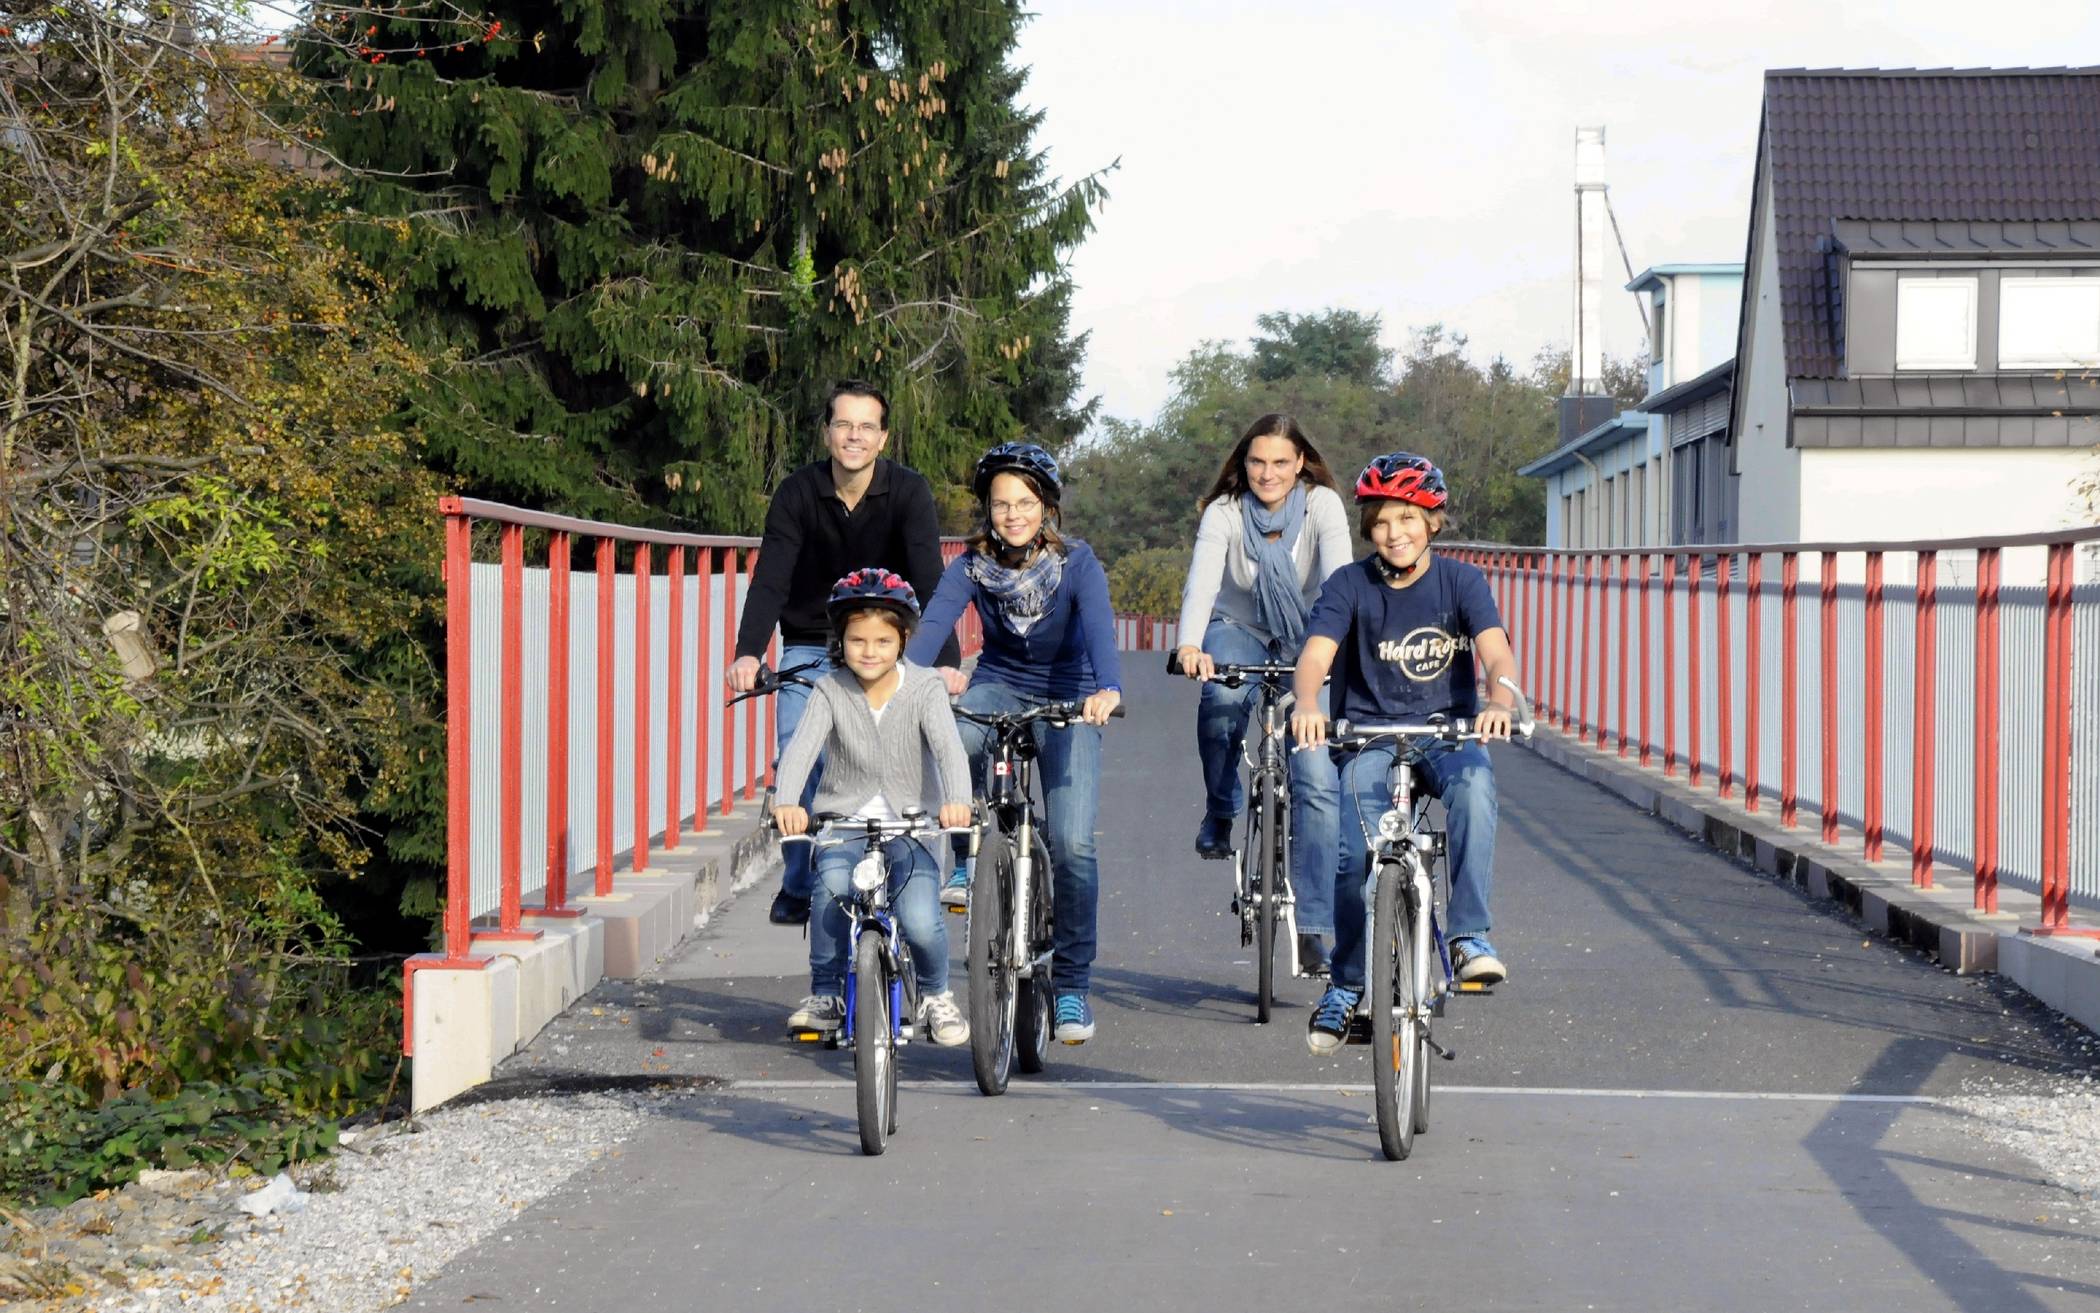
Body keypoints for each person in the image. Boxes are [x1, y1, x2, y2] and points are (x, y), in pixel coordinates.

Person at [1288, 453, 1520, 1056]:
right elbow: (1316, 653)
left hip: (1446, 735)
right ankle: (1345, 985)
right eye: (1383, 520)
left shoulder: (1462, 583)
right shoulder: (1349, 585)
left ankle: (1470, 938)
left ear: (1433, 522)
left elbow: (1495, 650)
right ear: (1368, 526)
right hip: (1368, 737)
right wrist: (1308, 702)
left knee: (1475, 790)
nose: (1395, 532)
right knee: (1350, 856)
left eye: (1409, 518)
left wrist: (1499, 698)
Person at [907, 442, 1121, 1045]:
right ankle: (969, 855)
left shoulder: (1077, 562)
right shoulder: (970, 566)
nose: (1013, 514)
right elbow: (932, 626)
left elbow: (1101, 627)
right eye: (1001, 503)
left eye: (1025, 502)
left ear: (1047, 506)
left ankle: (1074, 985)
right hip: (1001, 683)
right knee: (956, 729)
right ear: (987, 509)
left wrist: (1107, 688)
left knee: (1074, 842)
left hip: (1071, 692)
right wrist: (902, 685)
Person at [729, 380, 958, 927]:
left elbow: (931, 577)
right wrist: (746, 652)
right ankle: (800, 874)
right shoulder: (797, 492)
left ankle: (908, 871)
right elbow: (771, 579)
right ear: (827, 431)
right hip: (812, 640)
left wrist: (944, 660)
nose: (853, 436)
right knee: (795, 752)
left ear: (882, 438)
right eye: (843, 425)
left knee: (904, 753)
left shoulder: (908, 492)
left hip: (887, 645)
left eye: (866, 427)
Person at [1172, 413, 1353, 974]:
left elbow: (1341, 581)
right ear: (1242, 463)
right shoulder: (1224, 513)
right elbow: (1202, 582)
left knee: (1317, 778)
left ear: (1300, 462)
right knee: (1222, 702)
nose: (1267, 473)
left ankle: (1315, 929)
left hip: (1309, 633)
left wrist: (1337, 652)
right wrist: (1189, 647)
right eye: (1256, 461)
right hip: (1239, 629)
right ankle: (1221, 809)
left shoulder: (1322, 505)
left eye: (1280, 461)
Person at [773, 568, 974, 1046]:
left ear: (903, 639)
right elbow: (800, 750)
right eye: (857, 640)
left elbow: (948, 749)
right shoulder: (829, 690)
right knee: (830, 897)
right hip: (845, 824)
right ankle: (826, 996)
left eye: (883, 641)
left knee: (923, 919)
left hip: (912, 826)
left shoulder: (925, 688)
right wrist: (787, 802)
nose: (869, 651)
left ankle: (936, 995)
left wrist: (957, 803)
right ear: (839, 640)